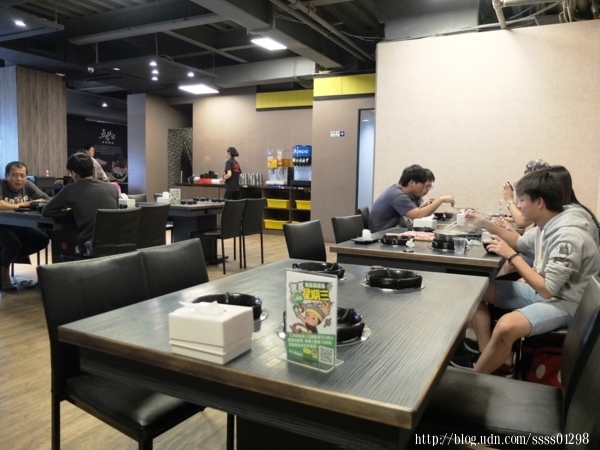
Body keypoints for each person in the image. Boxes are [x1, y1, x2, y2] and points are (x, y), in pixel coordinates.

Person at [461, 169, 600, 376]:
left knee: (506, 326)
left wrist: (512, 256)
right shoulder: (548, 224)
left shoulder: (568, 236)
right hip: (551, 293)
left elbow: (547, 290)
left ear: (539, 202)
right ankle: (492, 358)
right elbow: (518, 242)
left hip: (570, 304)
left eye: (522, 199)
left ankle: (474, 378)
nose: (517, 205)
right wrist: (483, 223)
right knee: (475, 291)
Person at [42, 153, 119, 255]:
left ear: (74, 173)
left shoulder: (71, 189)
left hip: (87, 247)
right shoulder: (112, 188)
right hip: (114, 246)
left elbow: (46, 211)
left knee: (64, 244)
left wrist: (72, 214)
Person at [0, 162, 51, 291]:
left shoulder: (28, 184)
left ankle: (5, 260)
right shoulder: (1, 185)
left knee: (42, 239)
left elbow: (45, 198)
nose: (19, 179)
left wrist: (31, 202)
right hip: (2, 225)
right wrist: (21, 204)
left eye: (22, 176)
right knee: (13, 244)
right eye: (14, 175)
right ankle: (4, 275)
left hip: (18, 224)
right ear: (6, 176)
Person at [368, 164, 455, 232]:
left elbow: (415, 215)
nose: (423, 189)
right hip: (379, 236)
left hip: (391, 232)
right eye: (423, 185)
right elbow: (417, 215)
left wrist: (421, 208)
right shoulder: (397, 195)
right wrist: (441, 199)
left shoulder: (402, 192)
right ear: (411, 183)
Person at [501, 159, 550, 229]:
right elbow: (521, 211)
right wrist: (519, 190)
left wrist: (509, 200)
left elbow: (520, 222)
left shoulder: (544, 197)